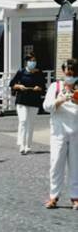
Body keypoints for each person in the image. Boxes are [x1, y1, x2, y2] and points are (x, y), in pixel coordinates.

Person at [43, 59, 78, 210]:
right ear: (63, 72)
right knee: (56, 164)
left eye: (72, 72)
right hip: (58, 132)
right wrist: (59, 101)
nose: (69, 74)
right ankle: (53, 196)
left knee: (76, 166)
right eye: (67, 72)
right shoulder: (55, 86)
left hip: (76, 132)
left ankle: (75, 197)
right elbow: (46, 106)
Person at [10, 53, 46, 155]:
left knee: (30, 124)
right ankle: (22, 144)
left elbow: (43, 87)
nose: (33, 63)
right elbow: (12, 84)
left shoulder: (39, 73)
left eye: (34, 61)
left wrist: (39, 88)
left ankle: (28, 145)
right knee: (23, 121)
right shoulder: (21, 72)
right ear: (27, 61)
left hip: (34, 100)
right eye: (31, 61)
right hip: (22, 99)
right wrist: (19, 86)